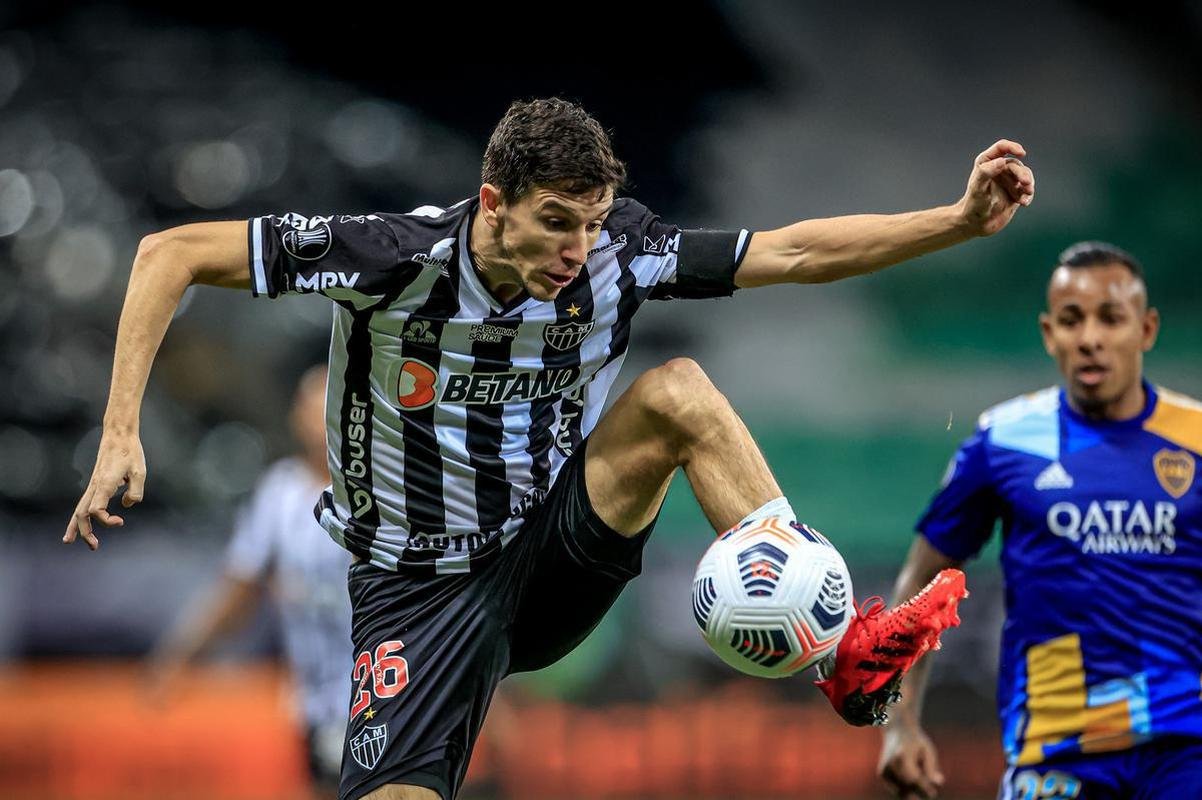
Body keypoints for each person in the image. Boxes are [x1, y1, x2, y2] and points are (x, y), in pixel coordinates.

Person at [66, 98, 1031, 800]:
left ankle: (845, 654)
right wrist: (120, 434)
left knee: (676, 394)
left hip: (548, 550)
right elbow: (170, 254)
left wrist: (954, 221)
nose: (578, 248)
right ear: (494, 202)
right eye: (556, 222)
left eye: (593, 222)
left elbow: (795, 251)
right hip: (418, 587)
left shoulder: (619, 254)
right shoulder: (391, 258)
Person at [877, 241, 1202, 800]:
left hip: (1186, 746)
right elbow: (921, 584)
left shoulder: (1196, 438)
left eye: (1111, 318)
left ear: (1146, 330)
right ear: (1050, 333)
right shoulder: (1002, 440)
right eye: (1072, 321)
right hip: (1056, 751)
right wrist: (899, 725)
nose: (1091, 338)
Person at [148, 365, 352, 798]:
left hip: (381, 688)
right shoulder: (280, 492)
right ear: (295, 415)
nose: (318, 419)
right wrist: (181, 655)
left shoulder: (379, 488)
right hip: (314, 700)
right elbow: (238, 587)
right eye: (309, 406)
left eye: (328, 404)